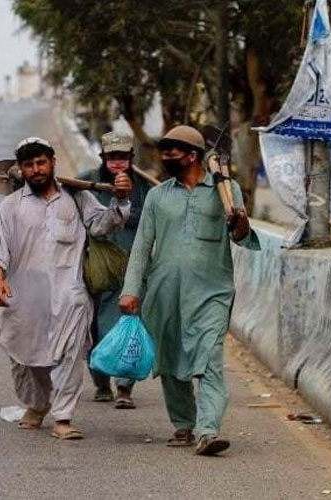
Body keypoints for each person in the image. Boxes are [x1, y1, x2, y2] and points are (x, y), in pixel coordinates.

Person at [118, 125, 260, 456]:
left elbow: (240, 235)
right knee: (170, 359)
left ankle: (208, 430)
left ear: (193, 155)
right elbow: (142, 248)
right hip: (164, 291)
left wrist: (240, 222)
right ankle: (184, 423)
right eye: (163, 151)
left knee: (208, 357)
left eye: (172, 151)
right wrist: (131, 290)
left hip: (211, 291)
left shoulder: (226, 189)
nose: (165, 157)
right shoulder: (157, 196)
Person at [0, 137, 133, 440]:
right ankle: (37, 405)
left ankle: (63, 417)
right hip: (23, 299)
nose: (36, 170)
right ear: (21, 170)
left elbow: (102, 225)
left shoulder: (76, 199)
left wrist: (119, 201)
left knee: (68, 356)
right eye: (29, 165)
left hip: (70, 296)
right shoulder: (10, 207)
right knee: (25, 357)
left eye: (41, 162)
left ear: (53, 162)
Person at [79, 132, 155, 409]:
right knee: (93, 326)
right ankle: (100, 383)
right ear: (103, 158)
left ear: (131, 158)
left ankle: (125, 386)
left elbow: (152, 220)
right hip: (95, 266)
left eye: (122, 157)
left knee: (130, 324)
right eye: (112, 157)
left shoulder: (146, 187)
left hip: (132, 267)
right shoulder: (85, 182)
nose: (117, 163)